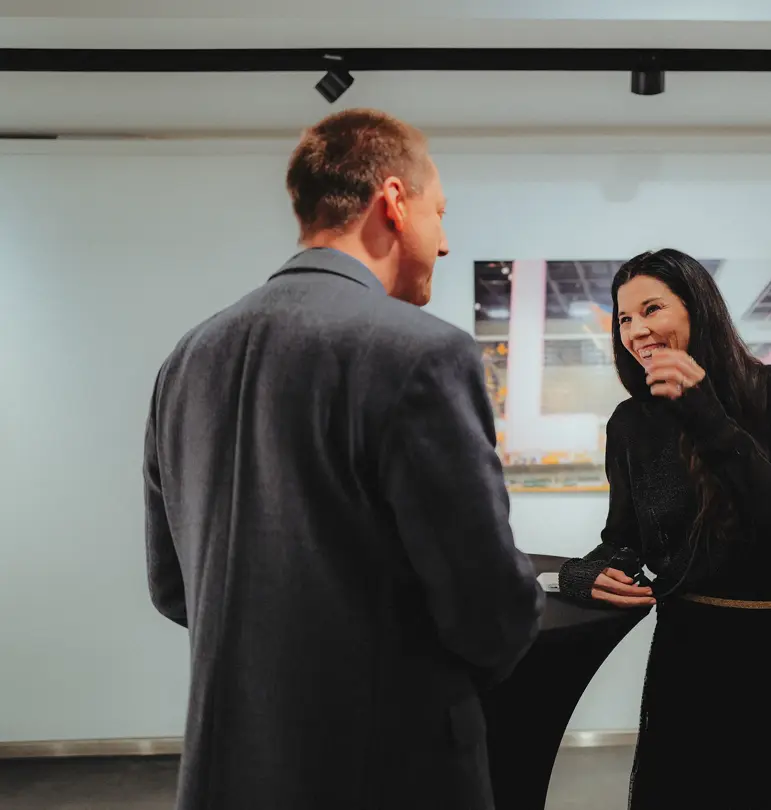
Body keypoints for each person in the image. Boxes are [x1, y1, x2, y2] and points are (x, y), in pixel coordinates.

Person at [143, 109, 544, 810]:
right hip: (389, 768)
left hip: (228, 766)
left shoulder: (187, 358)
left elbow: (172, 589)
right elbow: (488, 613)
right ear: (392, 202)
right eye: (439, 213)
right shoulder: (423, 352)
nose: (445, 244)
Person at [558, 249, 771, 809]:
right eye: (623, 318)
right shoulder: (630, 423)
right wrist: (584, 576)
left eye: (651, 309)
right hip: (691, 652)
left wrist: (705, 414)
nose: (636, 330)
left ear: (697, 309)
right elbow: (624, 540)